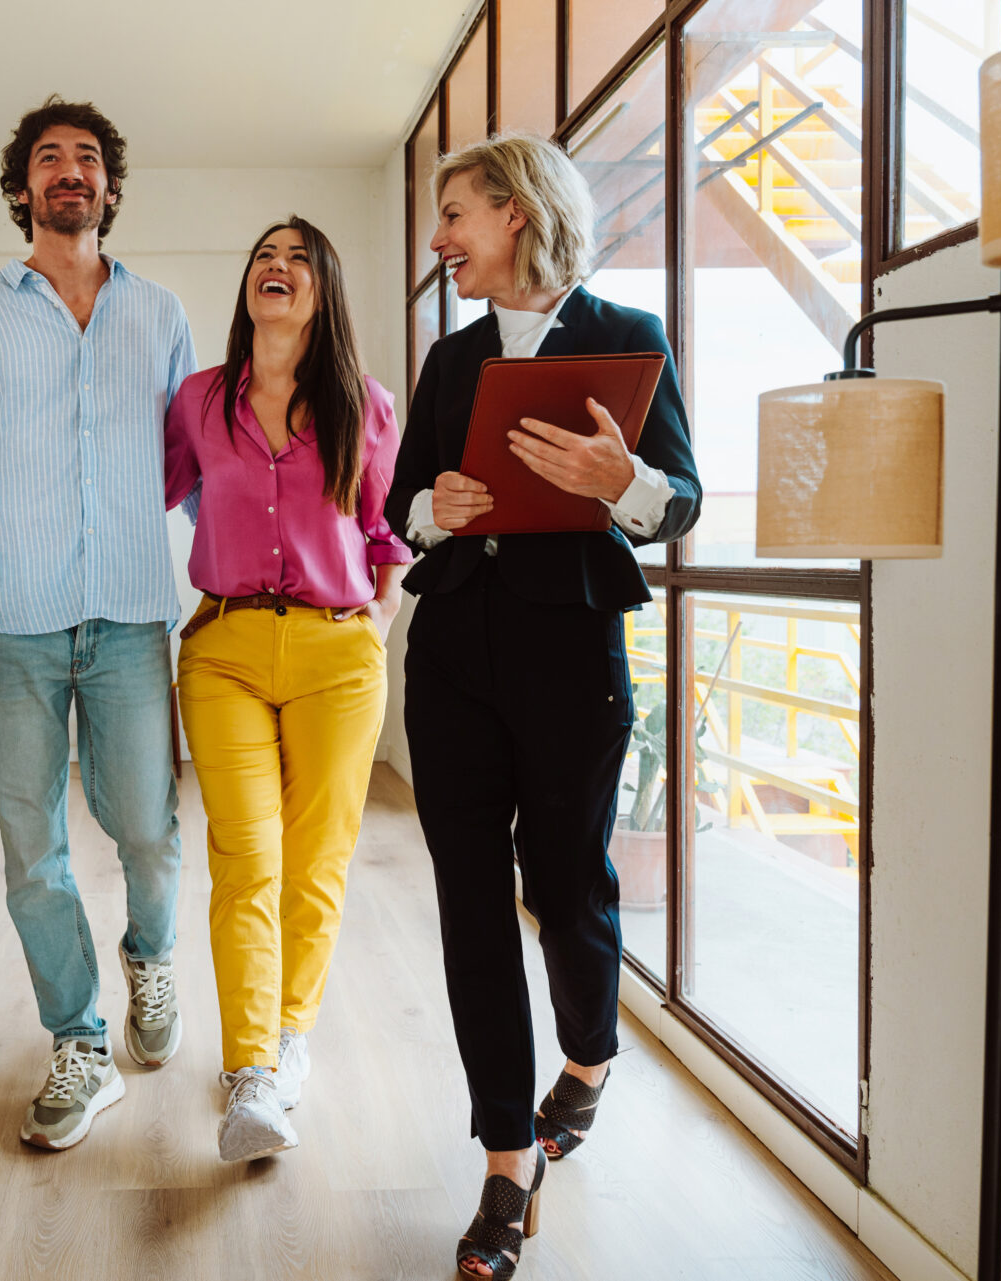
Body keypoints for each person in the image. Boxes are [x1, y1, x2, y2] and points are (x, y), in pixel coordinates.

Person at [384, 133, 701, 1279]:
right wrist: (438, 505)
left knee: (565, 887)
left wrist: (622, 483)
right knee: (472, 907)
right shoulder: (449, 359)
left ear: (515, 213)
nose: (440, 240)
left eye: (455, 214)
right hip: (454, 654)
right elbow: (397, 502)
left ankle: (591, 1053)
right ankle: (506, 1164)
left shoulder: (627, 339)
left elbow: (682, 503)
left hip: (572, 649)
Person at [0, 95, 196, 1152]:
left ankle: (151, 959)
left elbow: (194, 467)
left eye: (87, 159)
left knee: (150, 829)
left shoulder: (158, 315)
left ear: (110, 187)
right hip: (10, 619)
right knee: (34, 853)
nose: (69, 172)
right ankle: (77, 1041)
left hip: (128, 615)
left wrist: (255, 575)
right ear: (22, 188)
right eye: (48, 159)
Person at [164, 217, 409, 1163]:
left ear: (324, 291)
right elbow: (153, 488)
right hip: (222, 648)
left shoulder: (366, 405)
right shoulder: (197, 400)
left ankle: (288, 1032)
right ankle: (250, 1073)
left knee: (317, 859)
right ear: (248, 286)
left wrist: (377, 622)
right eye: (264, 255)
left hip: (337, 655)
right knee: (246, 852)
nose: (277, 267)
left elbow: (388, 530)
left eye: (299, 259)